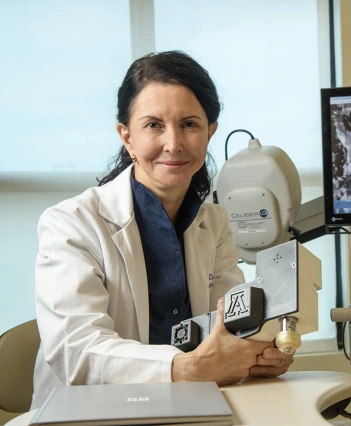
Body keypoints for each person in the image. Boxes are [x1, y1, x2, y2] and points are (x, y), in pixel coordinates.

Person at [31, 51, 293, 410]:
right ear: (127, 137)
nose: (174, 143)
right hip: (87, 411)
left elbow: (232, 325)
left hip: (186, 406)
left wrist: (261, 351)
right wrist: (188, 368)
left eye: (189, 124)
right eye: (153, 125)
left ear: (209, 132)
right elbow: (76, 351)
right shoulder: (71, 223)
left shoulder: (213, 223)